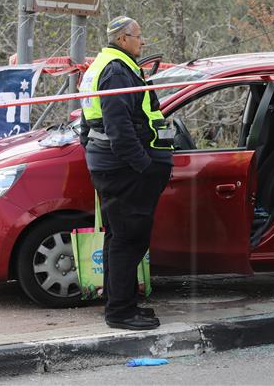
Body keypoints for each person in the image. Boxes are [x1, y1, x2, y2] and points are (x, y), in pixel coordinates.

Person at [79, 16, 174, 331]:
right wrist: (144, 167)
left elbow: (87, 124)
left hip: (111, 165)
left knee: (119, 239)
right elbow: (119, 129)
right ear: (122, 39)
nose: (142, 41)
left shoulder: (108, 65)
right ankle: (120, 312)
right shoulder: (116, 72)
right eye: (138, 35)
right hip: (124, 169)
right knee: (129, 240)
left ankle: (122, 304)